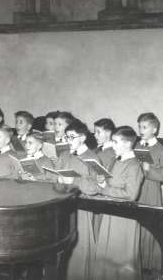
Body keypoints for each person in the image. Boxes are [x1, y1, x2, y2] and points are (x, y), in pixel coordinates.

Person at [89, 126, 143, 280]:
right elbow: (111, 182)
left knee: (121, 256)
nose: (112, 145)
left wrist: (105, 189)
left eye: (115, 142)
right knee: (107, 252)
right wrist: (102, 180)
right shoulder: (115, 159)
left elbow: (131, 195)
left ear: (127, 144)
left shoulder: (134, 165)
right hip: (111, 211)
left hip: (124, 216)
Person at [54, 119, 99, 280]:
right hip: (62, 205)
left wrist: (74, 181)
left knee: (80, 247)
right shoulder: (64, 154)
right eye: (66, 137)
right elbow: (55, 174)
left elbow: (95, 187)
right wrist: (57, 179)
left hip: (82, 207)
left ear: (83, 137)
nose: (68, 141)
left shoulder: (92, 158)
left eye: (71, 137)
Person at [136, 112, 163, 273]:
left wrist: (149, 170)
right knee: (135, 226)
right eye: (139, 126)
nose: (141, 130)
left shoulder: (161, 150)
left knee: (148, 229)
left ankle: (148, 265)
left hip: (150, 192)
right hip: (135, 190)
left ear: (155, 129)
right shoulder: (138, 145)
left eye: (144, 127)